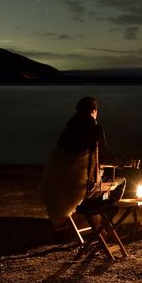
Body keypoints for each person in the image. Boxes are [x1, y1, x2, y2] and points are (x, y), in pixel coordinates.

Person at [39, 96, 126, 227]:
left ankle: (80, 221)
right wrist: (127, 162)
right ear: (93, 111)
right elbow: (104, 158)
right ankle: (104, 223)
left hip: (56, 183)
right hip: (84, 186)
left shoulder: (66, 132)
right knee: (122, 181)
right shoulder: (95, 130)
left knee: (102, 179)